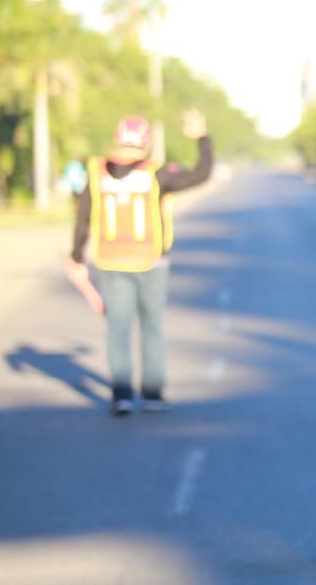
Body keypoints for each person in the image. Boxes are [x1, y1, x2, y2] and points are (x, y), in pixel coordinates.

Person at [64, 110, 215, 415]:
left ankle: (121, 395)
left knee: (117, 329)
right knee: (152, 327)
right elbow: (201, 174)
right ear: (145, 142)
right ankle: (152, 395)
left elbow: (83, 219)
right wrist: (202, 138)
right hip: (151, 263)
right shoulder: (157, 174)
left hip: (110, 261)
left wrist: (77, 257)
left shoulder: (96, 173)